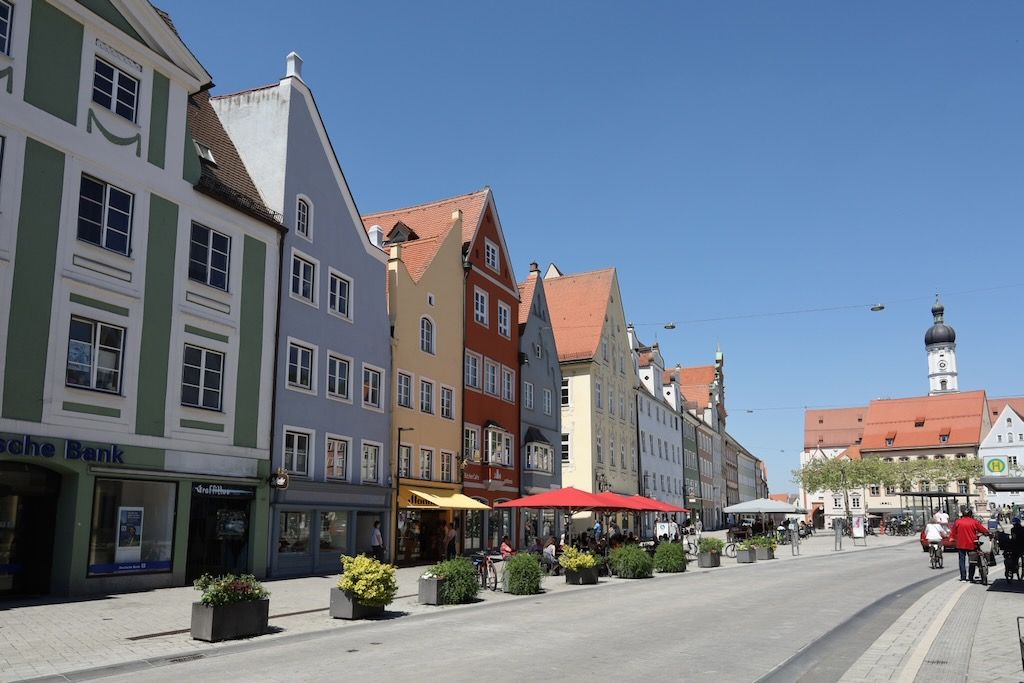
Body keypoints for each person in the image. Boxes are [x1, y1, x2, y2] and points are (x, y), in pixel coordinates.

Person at [947, 508, 991, 582]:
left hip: (960, 544)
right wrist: (987, 533)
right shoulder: (974, 522)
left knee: (962, 560)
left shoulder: (958, 522)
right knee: (972, 561)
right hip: (972, 544)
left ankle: (963, 577)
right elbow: (982, 529)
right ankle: (971, 577)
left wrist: (952, 538)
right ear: (971, 514)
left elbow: (953, 532)